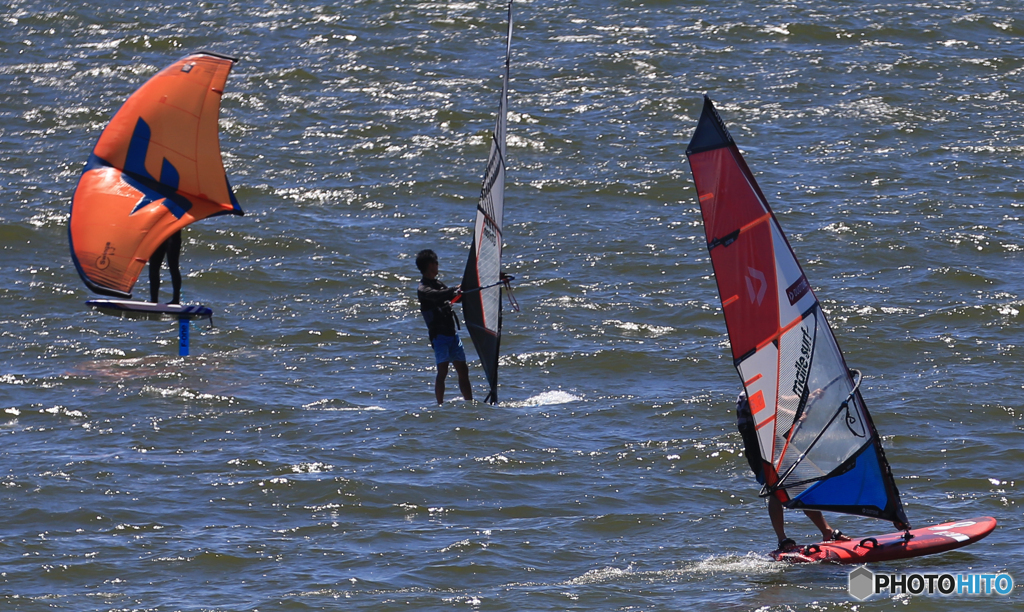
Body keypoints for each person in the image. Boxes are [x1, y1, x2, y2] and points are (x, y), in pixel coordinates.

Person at [736, 391, 851, 551]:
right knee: (775, 489)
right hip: (759, 450)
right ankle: (782, 539)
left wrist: (809, 397)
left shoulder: (766, 386)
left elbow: (781, 400)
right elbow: (767, 410)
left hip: (775, 445)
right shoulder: (749, 391)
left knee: (799, 486)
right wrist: (793, 415)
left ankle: (827, 532)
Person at [415, 249, 472, 405]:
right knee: (443, 371)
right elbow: (438, 295)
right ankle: (439, 405)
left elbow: (454, 296)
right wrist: (454, 289)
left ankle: (469, 403)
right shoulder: (423, 289)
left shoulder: (438, 284)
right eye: (436, 262)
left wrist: (467, 289)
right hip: (439, 337)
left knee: (463, 370)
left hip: (452, 335)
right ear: (429, 265)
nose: (438, 265)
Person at [149, 230, 182, 304]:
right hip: (157, 235)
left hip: (173, 235)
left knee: (173, 267)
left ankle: (176, 300)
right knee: (153, 268)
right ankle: (153, 300)